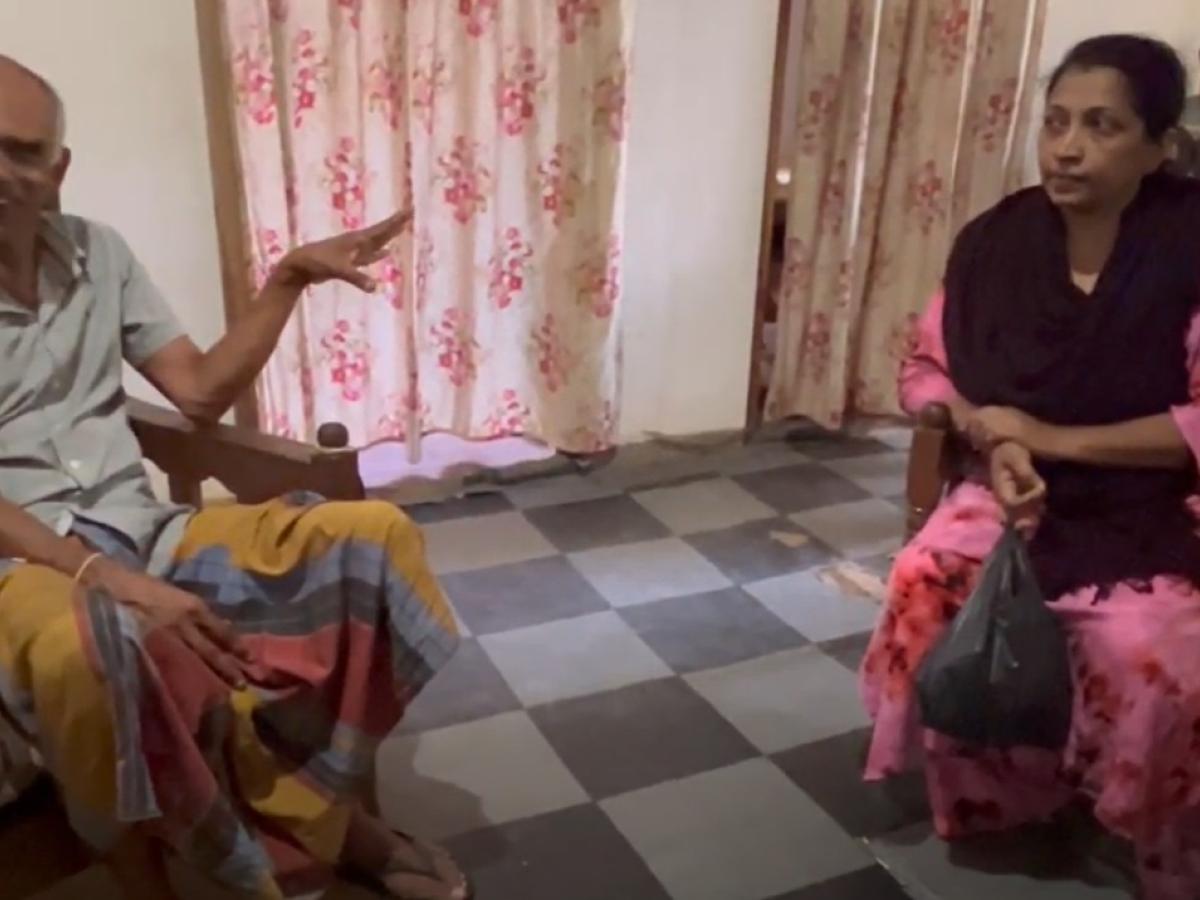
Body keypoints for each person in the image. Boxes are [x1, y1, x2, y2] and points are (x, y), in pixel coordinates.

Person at [0, 56, 468, 900]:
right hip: (18, 562)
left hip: (142, 526)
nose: (1, 172)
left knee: (367, 539)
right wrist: (107, 581)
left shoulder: (97, 255)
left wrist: (287, 279)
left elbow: (201, 392)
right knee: (96, 645)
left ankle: (307, 813)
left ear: (56, 170)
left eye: (21, 151)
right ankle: (183, 867)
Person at [861, 35, 1200, 900]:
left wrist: (1049, 438)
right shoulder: (998, 243)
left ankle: (1143, 823)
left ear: (1161, 145)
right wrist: (996, 437)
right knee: (928, 576)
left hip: (1161, 502)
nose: (1068, 146)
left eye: (1102, 125)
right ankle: (1000, 804)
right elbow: (927, 370)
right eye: (1055, 123)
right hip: (1010, 484)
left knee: (1147, 644)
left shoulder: (1189, 247)